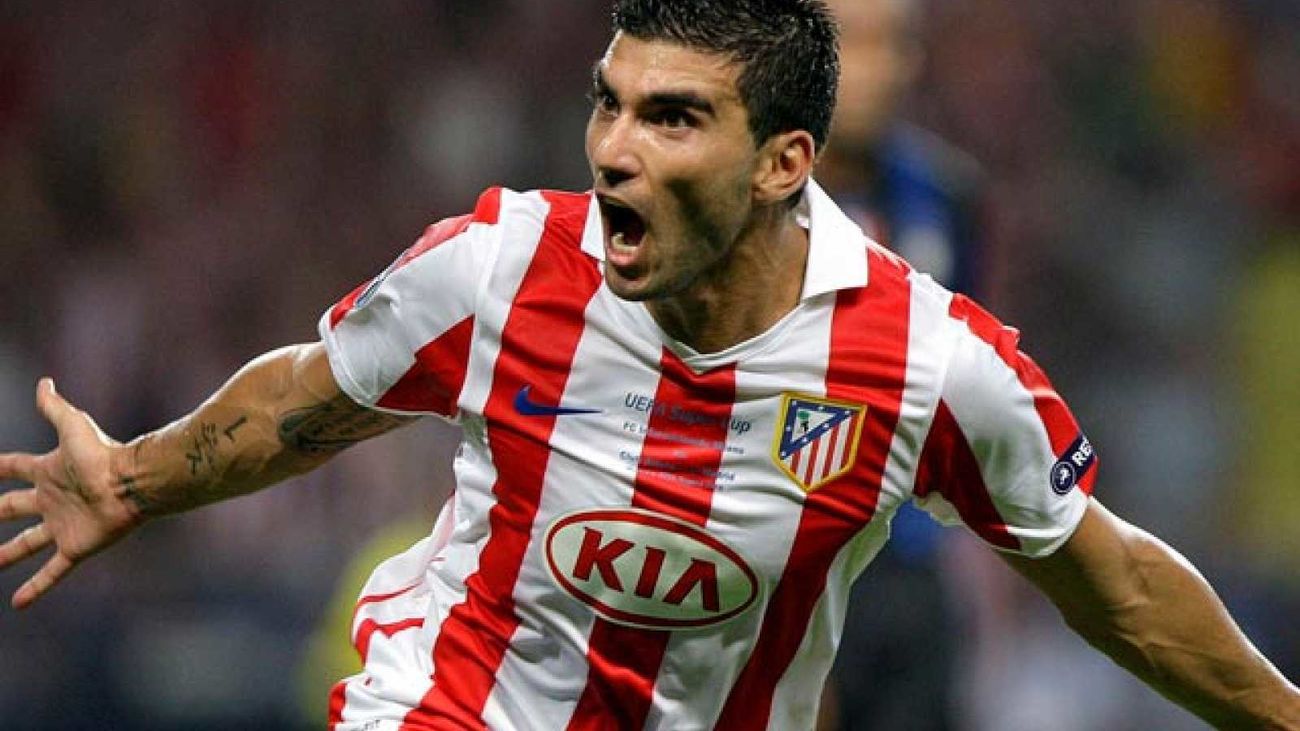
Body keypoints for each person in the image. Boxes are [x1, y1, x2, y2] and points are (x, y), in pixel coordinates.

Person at [1, 1, 1297, 729]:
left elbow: (1119, 586)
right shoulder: (500, 266)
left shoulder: (924, 360)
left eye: (672, 118)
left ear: (783, 162)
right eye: (610, 103)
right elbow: (304, 400)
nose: (615, 149)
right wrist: (135, 479)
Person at [815, 0, 987, 727]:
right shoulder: (741, 198)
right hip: (779, 560)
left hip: (906, 563)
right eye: (854, 43)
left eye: (893, 45)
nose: (876, 69)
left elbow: (969, 378)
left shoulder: (947, 196)